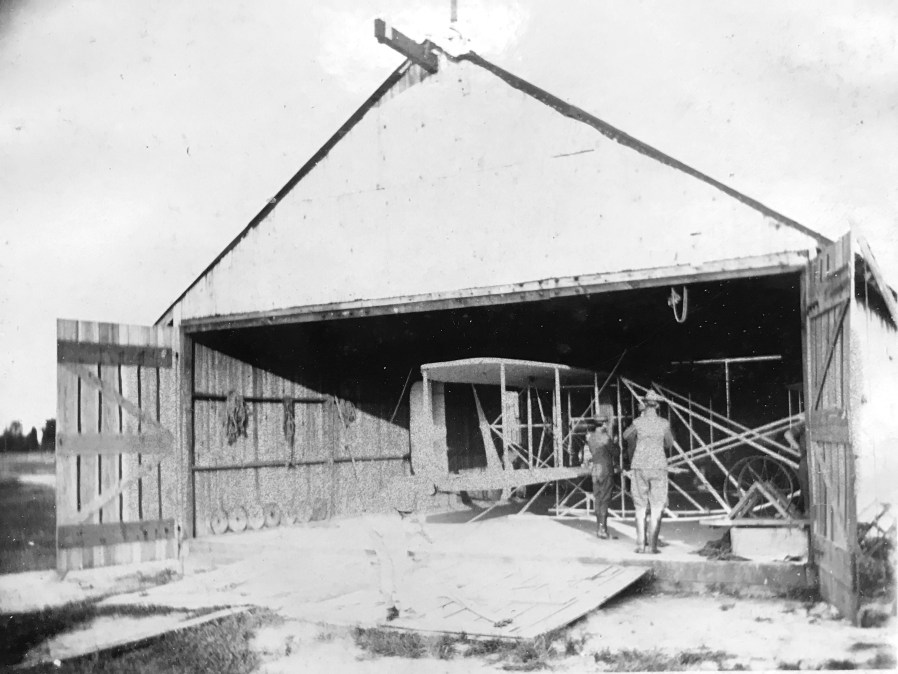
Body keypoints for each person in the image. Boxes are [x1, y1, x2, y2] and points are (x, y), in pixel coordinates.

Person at [366, 474, 435, 621]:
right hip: (386, 522)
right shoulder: (417, 489)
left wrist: (418, 529)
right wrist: (423, 532)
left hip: (370, 521)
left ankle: (390, 608)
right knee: (400, 567)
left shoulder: (402, 482)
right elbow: (407, 516)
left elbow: (404, 516)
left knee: (386, 565)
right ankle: (407, 608)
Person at [622, 389, 674, 554]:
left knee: (640, 506)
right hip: (658, 466)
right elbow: (669, 443)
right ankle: (653, 547)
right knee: (657, 506)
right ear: (657, 406)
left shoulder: (638, 422)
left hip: (640, 465)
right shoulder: (664, 423)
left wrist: (640, 438)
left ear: (645, 405)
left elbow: (625, 435)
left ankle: (640, 545)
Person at [583, 416, 617, 539]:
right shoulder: (605, 437)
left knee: (598, 499)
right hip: (605, 469)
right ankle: (603, 530)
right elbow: (615, 452)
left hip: (595, 469)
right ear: (602, 424)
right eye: (605, 423)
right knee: (604, 500)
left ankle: (599, 529)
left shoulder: (590, 437)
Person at [784, 419, 810, 515]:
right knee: (806, 485)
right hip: (810, 458)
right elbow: (787, 434)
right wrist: (799, 447)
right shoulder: (805, 422)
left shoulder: (805, 422)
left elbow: (787, 435)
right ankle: (808, 512)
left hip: (807, 458)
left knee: (805, 486)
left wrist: (798, 447)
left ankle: (808, 511)